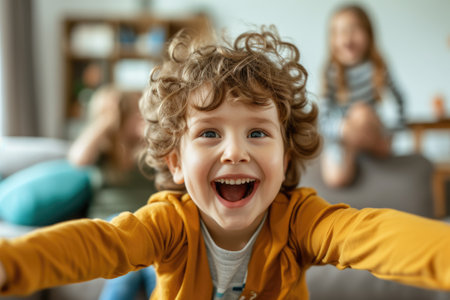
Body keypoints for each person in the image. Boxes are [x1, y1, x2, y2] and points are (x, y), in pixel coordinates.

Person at [0, 26, 450, 299]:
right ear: (175, 162)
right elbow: (102, 244)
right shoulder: (168, 224)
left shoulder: (300, 221)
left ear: (286, 153)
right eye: (210, 133)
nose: (235, 152)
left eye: (257, 132)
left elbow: (371, 235)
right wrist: (13, 262)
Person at [69, 85, 158, 299]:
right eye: (131, 112)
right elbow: (77, 159)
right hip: (110, 223)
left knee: (156, 263)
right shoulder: (102, 149)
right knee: (126, 263)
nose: (137, 116)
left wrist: (150, 131)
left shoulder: (149, 148)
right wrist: (108, 120)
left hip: (146, 224)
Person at [319, 4, 405, 188]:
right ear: (332, 40)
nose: (347, 37)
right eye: (340, 32)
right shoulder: (331, 72)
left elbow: (400, 99)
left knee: (360, 112)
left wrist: (393, 132)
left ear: (369, 34)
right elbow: (323, 120)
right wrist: (343, 130)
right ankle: (357, 147)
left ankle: (370, 145)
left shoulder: (377, 67)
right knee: (336, 179)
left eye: (354, 29)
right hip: (343, 136)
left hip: (370, 126)